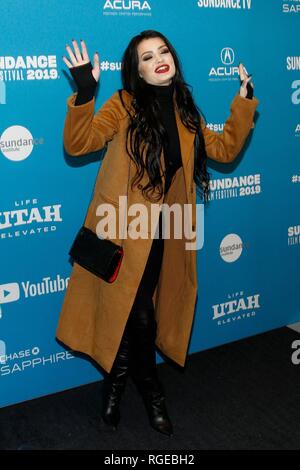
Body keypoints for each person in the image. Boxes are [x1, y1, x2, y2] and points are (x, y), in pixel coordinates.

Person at [56, 30, 259, 437]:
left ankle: (116, 383)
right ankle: (150, 391)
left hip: (168, 231)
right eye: (147, 57)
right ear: (138, 71)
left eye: (163, 51)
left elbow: (222, 150)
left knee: (140, 312)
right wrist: (84, 93)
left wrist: (243, 104)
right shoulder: (122, 106)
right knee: (138, 315)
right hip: (123, 232)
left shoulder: (187, 112)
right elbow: (79, 143)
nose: (158, 59)